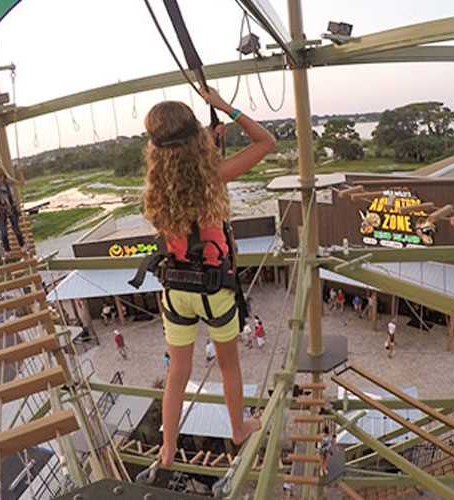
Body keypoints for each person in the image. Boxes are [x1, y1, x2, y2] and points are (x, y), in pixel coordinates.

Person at [140, 89, 274, 468]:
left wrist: (207, 147)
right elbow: (266, 141)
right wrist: (224, 107)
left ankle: (168, 447)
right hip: (214, 288)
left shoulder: (154, 188)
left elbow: (182, 174)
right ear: (195, 136)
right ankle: (238, 428)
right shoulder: (213, 177)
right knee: (230, 365)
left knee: (177, 373)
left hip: (176, 288)